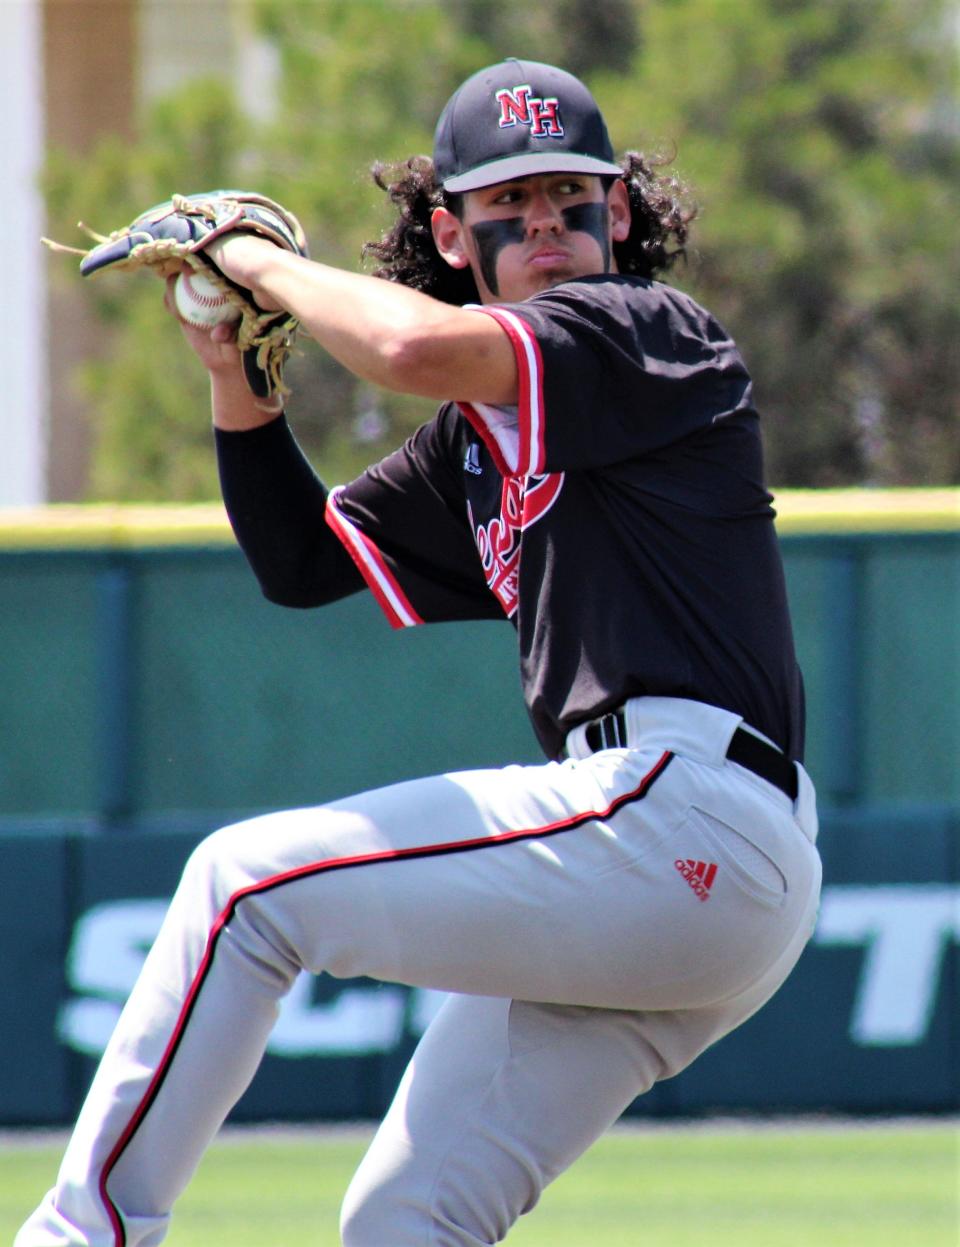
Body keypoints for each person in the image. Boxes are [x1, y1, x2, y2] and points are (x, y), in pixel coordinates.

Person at [18, 59, 821, 1247]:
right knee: (405, 1218)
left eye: (571, 196)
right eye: (510, 204)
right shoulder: (470, 447)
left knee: (243, 887)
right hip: (682, 876)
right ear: (452, 233)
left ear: (622, 213)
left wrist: (249, 255)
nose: (546, 221)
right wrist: (235, 368)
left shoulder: (644, 333)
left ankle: (80, 1234)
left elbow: (407, 351)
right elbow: (303, 564)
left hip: (682, 813)